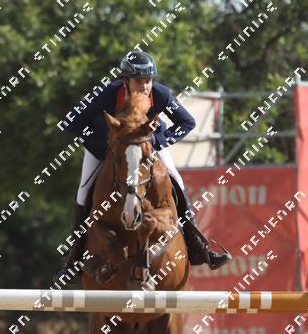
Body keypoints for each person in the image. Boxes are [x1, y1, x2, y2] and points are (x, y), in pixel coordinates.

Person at [56, 50, 231, 281]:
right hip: (105, 149)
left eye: (148, 80)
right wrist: (106, 141)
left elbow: (187, 122)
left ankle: (199, 246)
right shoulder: (108, 94)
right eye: (139, 81)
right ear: (125, 81)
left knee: (176, 179)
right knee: (83, 192)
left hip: (147, 146)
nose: (145, 86)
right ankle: (73, 259)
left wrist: (157, 141)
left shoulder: (160, 94)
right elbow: (70, 121)